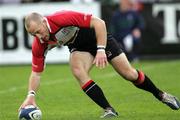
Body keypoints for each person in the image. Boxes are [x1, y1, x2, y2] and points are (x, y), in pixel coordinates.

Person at [19, 10, 180, 118]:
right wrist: (30, 96)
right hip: (79, 46)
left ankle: (162, 95)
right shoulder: (39, 43)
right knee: (77, 70)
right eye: (34, 35)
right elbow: (36, 73)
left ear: (43, 22)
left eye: (39, 31)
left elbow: (99, 23)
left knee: (129, 74)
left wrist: (101, 49)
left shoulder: (61, 18)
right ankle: (109, 110)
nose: (39, 37)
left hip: (98, 38)